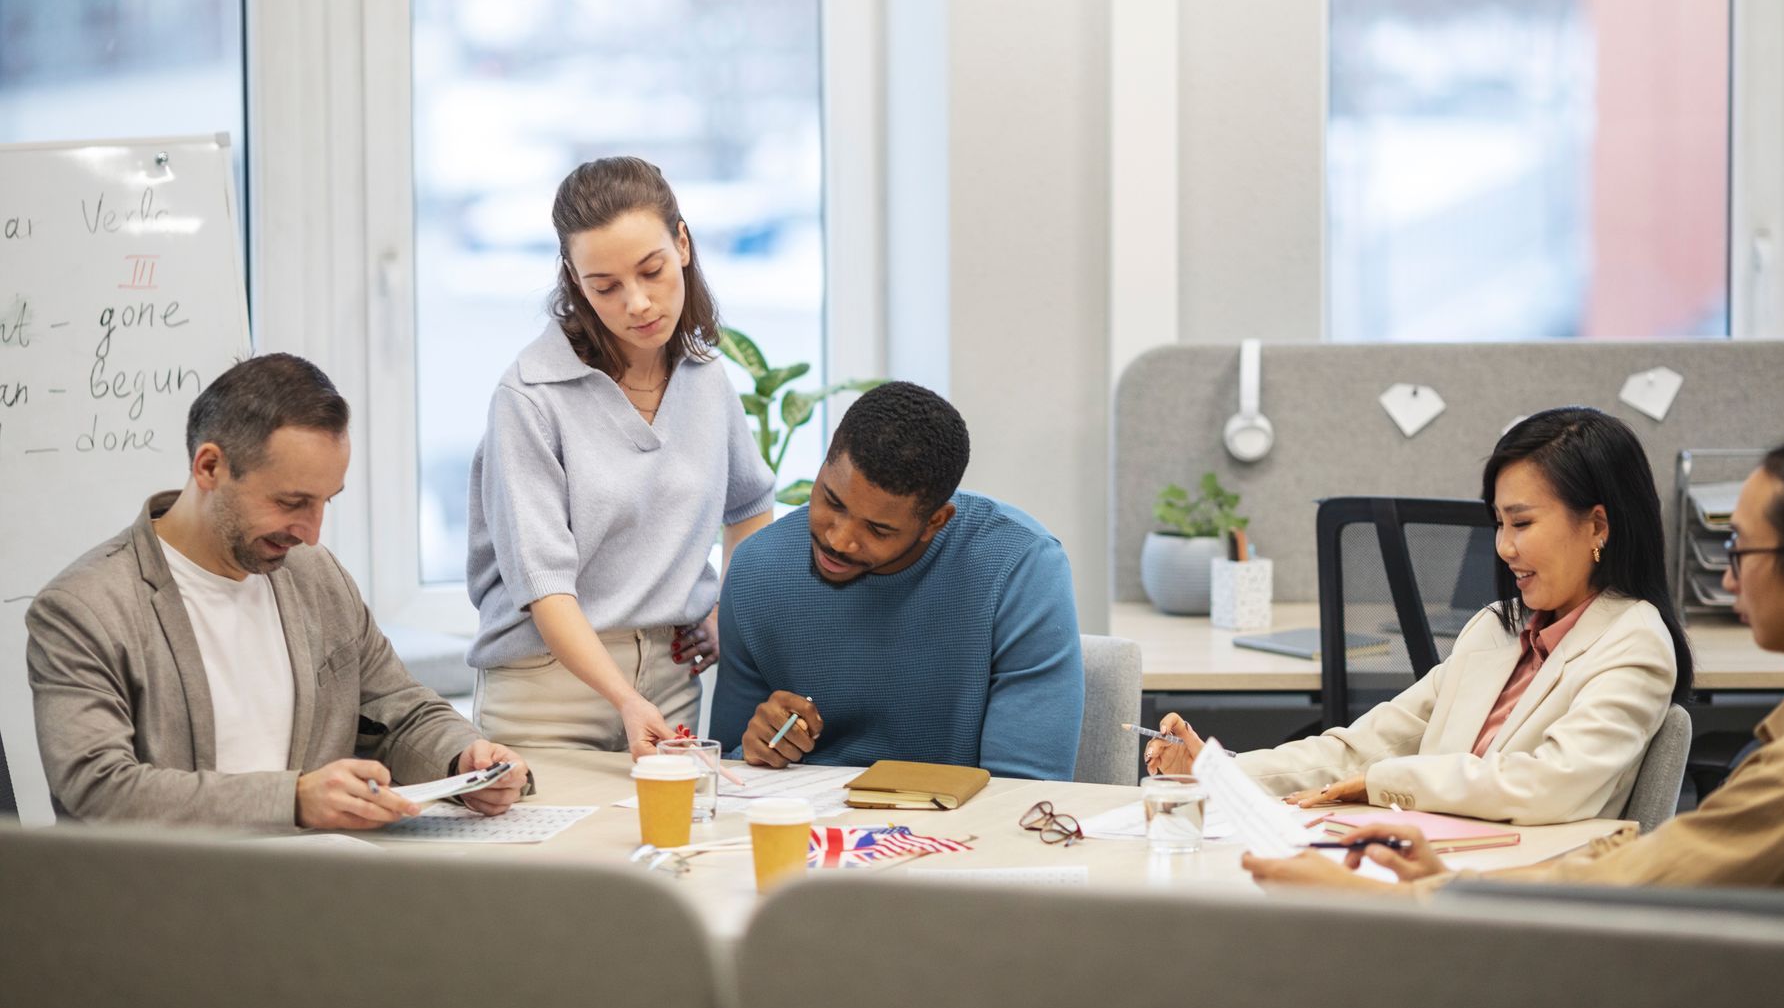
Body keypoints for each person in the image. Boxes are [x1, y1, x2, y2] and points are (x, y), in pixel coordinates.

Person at [1250, 430, 1784, 892]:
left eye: (1741, 551)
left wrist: (1394, 899)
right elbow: (1644, 865)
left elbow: (1640, 886)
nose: (1728, 581)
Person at [27, 354, 527, 829]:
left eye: (324, 502)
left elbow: (398, 708)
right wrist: (291, 801)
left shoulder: (315, 576)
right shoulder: (85, 608)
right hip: (165, 899)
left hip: (311, 884)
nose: (311, 533)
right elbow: (98, 790)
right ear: (208, 468)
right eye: (291, 501)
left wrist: (463, 759)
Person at [1148, 407, 1692, 825]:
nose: (1503, 547)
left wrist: (1381, 784)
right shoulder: (1495, 631)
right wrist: (1216, 769)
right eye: (1498, 524)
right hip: (1433, 866)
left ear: (1598, 526)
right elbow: (1362, 748)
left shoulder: (1634, 642)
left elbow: (1553, 785)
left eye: (1522, 524)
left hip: (1526, 900)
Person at [467, 156, 774, 758]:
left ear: (682, 243)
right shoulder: (528, 398)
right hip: (547, 685)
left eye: (651, 271)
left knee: (677, 849)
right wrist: (624, 698)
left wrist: (723, 614)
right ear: (574, 282)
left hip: (670, 676)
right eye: (605, 287)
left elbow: (752, 505)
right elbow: (544, 585)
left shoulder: (706, 378)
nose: (636, 302)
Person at [709, 382, 1084, 779]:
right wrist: (755, 749)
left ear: (934, 523)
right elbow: (729, 769)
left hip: (964, 833)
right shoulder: (758, 571)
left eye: (878, 529)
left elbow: (1022, 790)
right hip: (807, 831)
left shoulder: (1019, 569)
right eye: (832, 501)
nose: (839, 540)